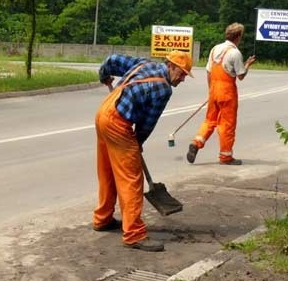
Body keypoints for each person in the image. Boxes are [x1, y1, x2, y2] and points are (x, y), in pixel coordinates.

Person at [93, 50, 193, 252]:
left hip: (104, 112)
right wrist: (136, 143)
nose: (182, 79)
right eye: (181, 73)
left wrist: (104, 74)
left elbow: (112, 59)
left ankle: (102, 218)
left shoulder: (144, 64)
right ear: (170, 65)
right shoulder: (164, 89)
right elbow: (147, 123)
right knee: (131, 177)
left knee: (109, 171)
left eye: (185, 75)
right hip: (118, 122)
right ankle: (134, 234)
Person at [186, 23, 256, 165]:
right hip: (227, 91)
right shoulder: (235, 53)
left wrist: (211, 90)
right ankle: (226, 156)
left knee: (210, 120)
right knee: (226, 124)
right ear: (238, 37)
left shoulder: (215, 49)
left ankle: (196, 143)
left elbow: (208, 71)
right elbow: (241, 76)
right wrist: (248, 64)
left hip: (214, 88)